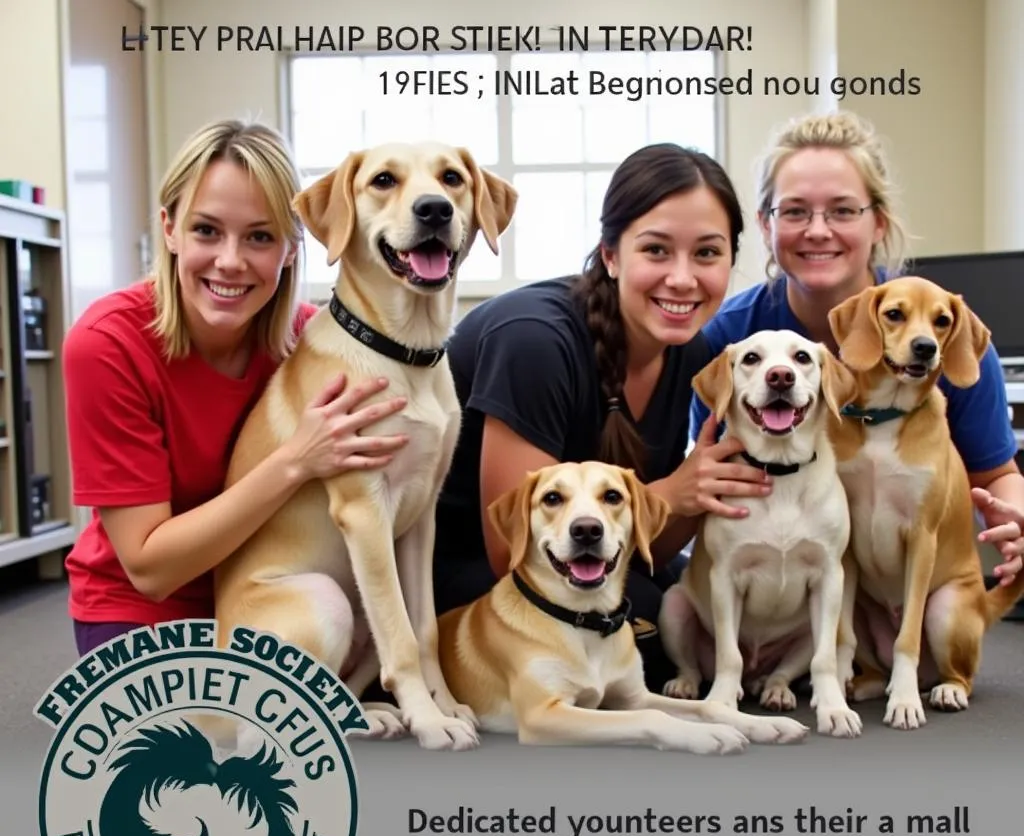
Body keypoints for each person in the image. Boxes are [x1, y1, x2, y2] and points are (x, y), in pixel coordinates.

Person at [63, 119, 409, 657]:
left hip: (285, 594)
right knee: (191, 743)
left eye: (260, 237)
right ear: (169, 228)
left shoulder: (316, 343)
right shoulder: (107, 345)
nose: (230, 260)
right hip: (153, 612)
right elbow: (150, 568)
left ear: (292, 249)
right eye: (206, 230)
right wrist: (296, 458)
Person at [432, 143, 771, 689]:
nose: (683, 279)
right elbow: (513, 554)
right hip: (473, 578)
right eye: (656, 251)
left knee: (725, 617)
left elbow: (641, 549)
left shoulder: (693, 351)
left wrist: (695, 494)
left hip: (585, 564)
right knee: (661, 640)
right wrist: (673, 495)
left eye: (707, 254)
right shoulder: (534, 341)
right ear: (611, 255)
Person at [690, 111, 1024, 587]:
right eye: (795, 211)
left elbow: (996, 475)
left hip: (896, 598)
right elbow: (706, 467)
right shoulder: (730, 338)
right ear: (766, 224)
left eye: (844, 211)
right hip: (777, 591)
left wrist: (1014, 517)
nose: (819, 230)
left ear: (879, 223)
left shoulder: (943, 339)